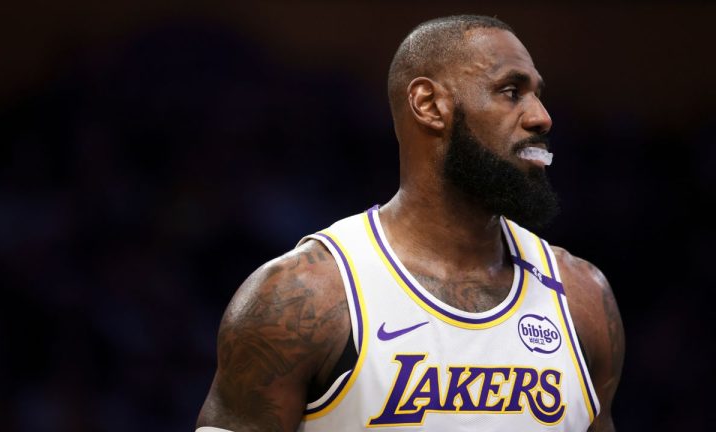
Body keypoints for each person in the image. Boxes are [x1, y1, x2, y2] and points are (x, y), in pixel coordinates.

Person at [196, 14, 624, 432]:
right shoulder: (303, 298)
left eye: (537, 95)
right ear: (428, 105)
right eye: (511, 91)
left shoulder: (583, 298)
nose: (541, 117)